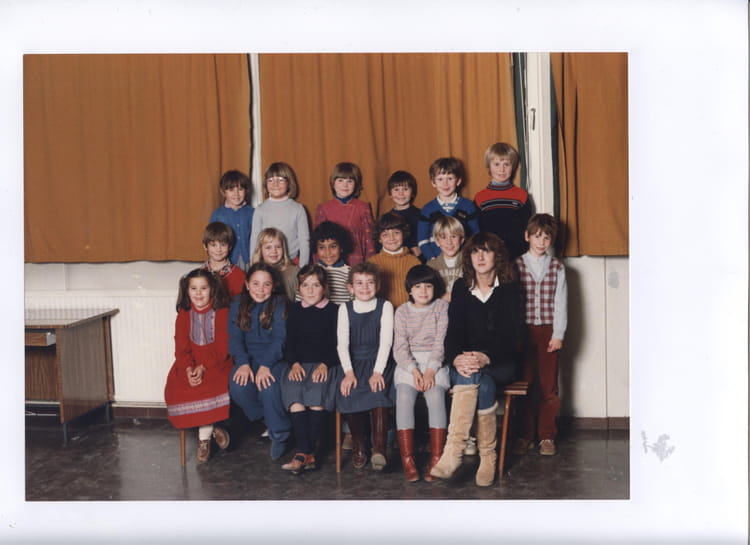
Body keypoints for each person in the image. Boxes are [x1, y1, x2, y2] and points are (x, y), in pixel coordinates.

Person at [430, 232, 525, 486]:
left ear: (498, 255)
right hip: (467, 363)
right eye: (475, 251)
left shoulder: (509, 288)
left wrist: (486, 357)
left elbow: (513, 337)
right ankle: (486, 457)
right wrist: (456, 358)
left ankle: (454, 452)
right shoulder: (461, 288)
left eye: (487, 251)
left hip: (500, 362)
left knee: (476, 375)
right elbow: (453, 333)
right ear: (468, 257)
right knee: (480, 382)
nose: (480, 257)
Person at [164, 269, 233, 463]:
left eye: (204, 288)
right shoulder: (184, 314)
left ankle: (204, 438)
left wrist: (203, 367)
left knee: (208, 386)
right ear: (187, 291)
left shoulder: (222, 312)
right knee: (177, 387)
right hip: (190, 362)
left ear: (212, 289)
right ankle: (215, 427)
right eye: (193, 288)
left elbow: (223, 347)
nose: (198, 293)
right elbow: (181, 347)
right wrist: (188, 368)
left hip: (216, 361)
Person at [514, 213, 567, 456]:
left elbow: (561, 302)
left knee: (549, 386)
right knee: (525, 383)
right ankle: (525, 434)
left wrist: (558, 334)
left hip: (548, 332)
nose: (541, 242)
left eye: (546, 238)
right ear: (527, 236)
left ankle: (547, 435)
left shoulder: (557, 267)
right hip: (523, 332)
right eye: (537, 236)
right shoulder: (516, 265)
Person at [280, 265, 341, 474]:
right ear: (298, 288)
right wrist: (294, 363)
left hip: (326, 364)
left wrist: (326, 363)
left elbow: (338, 343)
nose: (310, 290)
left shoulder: (334, 311)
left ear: (325, 287)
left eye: (316, 285)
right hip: (299, 364)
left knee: (316, 396)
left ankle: (302, 453)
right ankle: (308, 453)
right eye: (305, 285)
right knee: (295, 396)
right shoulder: (295, 310)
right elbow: (290, 342)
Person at [228, 263, 292, 460]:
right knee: (239, 386)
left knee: (268, 387)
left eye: (266, 284)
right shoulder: (238, 303)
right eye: (256, 283)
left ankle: (280, 433)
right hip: (247, 358)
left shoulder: (280, 303)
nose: (261, 289)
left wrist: (266, 366)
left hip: (274, 359)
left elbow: (279, 340)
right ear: (247, 284)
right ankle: (267, 418)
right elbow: (235, 338)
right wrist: (243, 363)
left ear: (274, 286)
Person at [393, 265, 449, 482]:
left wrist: (430, 371)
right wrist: (415, 371)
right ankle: (408, 459)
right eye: (418, 287)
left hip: (436, 362)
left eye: (428, 286)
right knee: (404, 397)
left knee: (435, 396)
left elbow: (441, 342)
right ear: (410, 290)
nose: (423, 291)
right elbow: (400, 348)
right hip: (409, 364)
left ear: (435, 288)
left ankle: (437, 458)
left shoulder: (441, 307)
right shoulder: (402, 311)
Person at [336, 262, 395, 470]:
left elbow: (386, 342)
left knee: (378, 390)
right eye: (359, 283)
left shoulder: (385, 306)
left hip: (379, 361)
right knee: (350, 391)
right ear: (350, 287)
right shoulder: (344, 309)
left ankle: (379, 449)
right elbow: (342, 345)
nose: (365, 287)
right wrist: (348, 373)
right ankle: (359, 445)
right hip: (354, 363)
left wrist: (378, 372)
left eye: (370, 282)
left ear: (377, 286)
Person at [474, 142, 532, 259]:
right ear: (489, 166)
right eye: (496, 164)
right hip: (489, 254)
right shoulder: (480, 197)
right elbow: (477, 230)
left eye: (506, 164)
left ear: (513, 167)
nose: (502, 169)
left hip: (517, 254)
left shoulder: (521, 196)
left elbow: (528, 227)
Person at [417, 157, 479, 261]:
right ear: (433, 182)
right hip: (437, 260)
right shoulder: (427, 210)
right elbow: (422, 240)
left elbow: (475, 236)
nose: (445, 183)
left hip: (463, 260)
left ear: (458, 181)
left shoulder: (468, 206)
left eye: (450, 178)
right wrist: (432, 259)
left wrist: (468, 258)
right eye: (440, 179)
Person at [314, 162, 376, 266]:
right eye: (340, 180)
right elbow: (317, 242)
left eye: (350, 181)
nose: (345, 185)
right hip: (330, 264)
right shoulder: (324, 208)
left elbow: (370, 241)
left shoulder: (363, 208)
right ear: (333, 183)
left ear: (356, 184)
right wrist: (317, 266)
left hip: (356, 263)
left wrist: (370, 265)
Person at [249, 162, 311, 266]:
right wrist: (253, 265)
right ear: (265, 184)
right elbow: (255, 240)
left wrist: (303, 267)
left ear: (289, 183)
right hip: (268, 262)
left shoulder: (298, 209)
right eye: (271, 180)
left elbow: (304, 240)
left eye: (281, 180)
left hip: (292, 262)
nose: (275, 184)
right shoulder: (260, 210)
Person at [368, 212, 421, 308]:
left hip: (409, 312)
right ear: (379, 239)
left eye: (396, 233)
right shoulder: (372, 263)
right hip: (381, 312)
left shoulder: (414, 262)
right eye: (385, 235)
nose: (391, 238)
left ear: (403, 234)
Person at [209, 170, 254, 271]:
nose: (236, 194)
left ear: (246, 191)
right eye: (231, 189)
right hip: (225, 260)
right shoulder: (217, 214)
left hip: (248, 260)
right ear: (223, 192)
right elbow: (211, 239)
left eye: (240, 189)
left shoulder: (252, 212)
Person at [381, 170, 422, 261]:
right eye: (396, 189)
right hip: (393, 259)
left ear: (412, 193)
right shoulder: (387, 218)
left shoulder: (421, 215)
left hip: (418, 260)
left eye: (405, 189)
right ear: (390, 194)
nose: (401, 193)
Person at [250, 228, 299, 302]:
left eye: (278, 247)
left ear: (283, 249)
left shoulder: (294, 272)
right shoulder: (254, 273)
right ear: (260, 250)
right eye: (268, 247)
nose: (274, 251)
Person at [311, 221, 353, 305]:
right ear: (316, 249)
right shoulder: (310, 272)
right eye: (322, 247)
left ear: (341, 247)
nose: (327, 252)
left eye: (333, 246)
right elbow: (300, 302)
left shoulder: (350, 273)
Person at [200, 221, 246, 298]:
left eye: (223, 245)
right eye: (213, 245)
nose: (218, 249)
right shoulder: (199, 274)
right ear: (205, 246)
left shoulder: (239, 275)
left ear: (230, 246)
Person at [425, 215, 465, 302]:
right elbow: (426, 296)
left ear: (462, 239)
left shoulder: (469, 262)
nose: (449, 242)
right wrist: (441, 299)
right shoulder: (431, 266)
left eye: (453, 236)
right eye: (443, 237)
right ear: (437, 242)